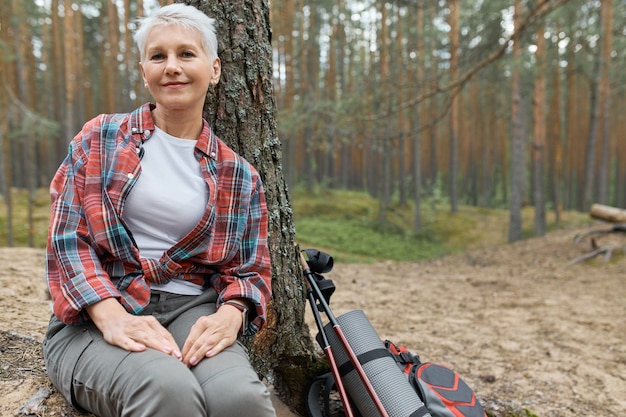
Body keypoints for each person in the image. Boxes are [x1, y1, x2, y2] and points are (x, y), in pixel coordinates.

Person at [42, 4, 276, 417]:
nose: (172, 67)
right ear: (144, 70)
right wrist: (110, 315)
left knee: (240, 401)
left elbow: (249, 270)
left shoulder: (240, 175)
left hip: (192, 311)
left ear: (215, 68)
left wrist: (232, 314)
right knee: (168, 391)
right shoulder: (100, 138)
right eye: (158, 56)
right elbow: (67, 239)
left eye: (186, 54)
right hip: (96, 314)